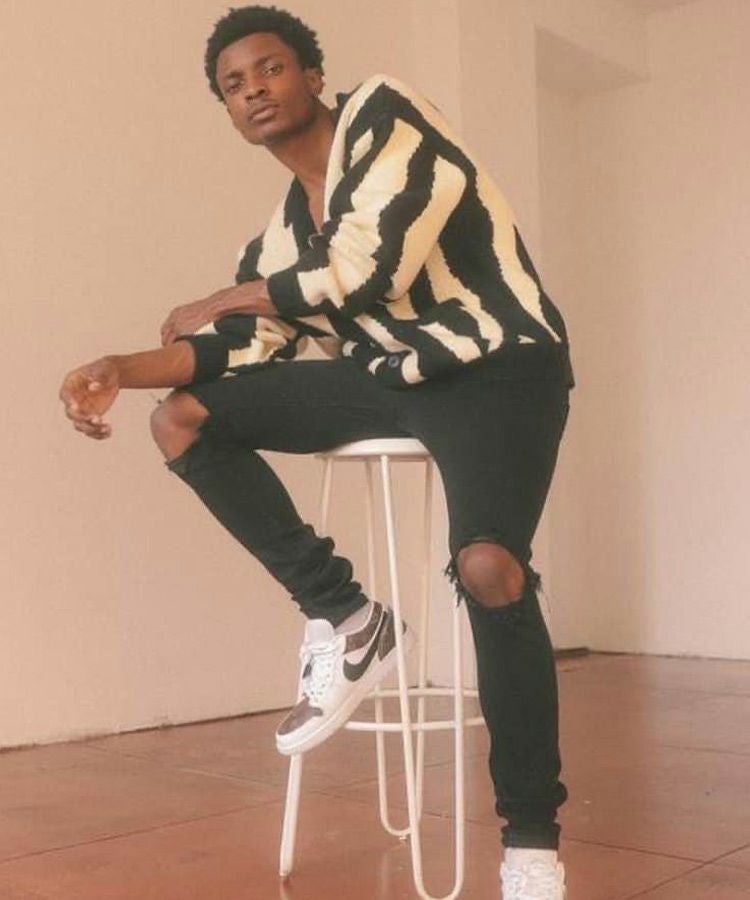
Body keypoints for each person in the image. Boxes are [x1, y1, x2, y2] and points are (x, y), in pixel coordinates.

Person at [58, 6, 575, 897]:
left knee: (489, 567)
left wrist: (232, 294)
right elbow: (240, 345)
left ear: (312, 75)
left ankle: (531, 845)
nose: (253, 90)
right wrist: (119, 368)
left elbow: (369, 267)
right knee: (182, 419)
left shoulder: (386, 116)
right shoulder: (279, 239)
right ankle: (349, 616)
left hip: (496, 366)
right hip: (393, 377)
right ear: (227, 111)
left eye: (270, 68)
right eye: (233, 85)